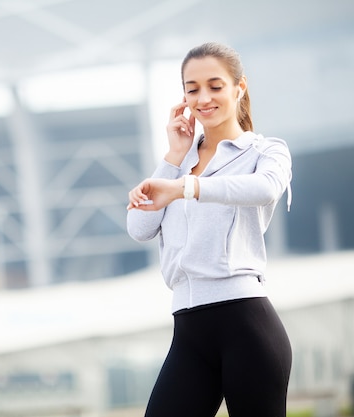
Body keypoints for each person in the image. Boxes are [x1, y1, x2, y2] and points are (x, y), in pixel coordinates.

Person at [126, 42, 293, 417]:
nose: (204, 98)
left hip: (246, 325)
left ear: (239, 87)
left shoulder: (266, 152)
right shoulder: (177, 164)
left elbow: (264, 188)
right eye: (192, 88)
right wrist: (172, 158)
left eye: (215, 86)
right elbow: (139, 226)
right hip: (188, 329)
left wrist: (186, 188)